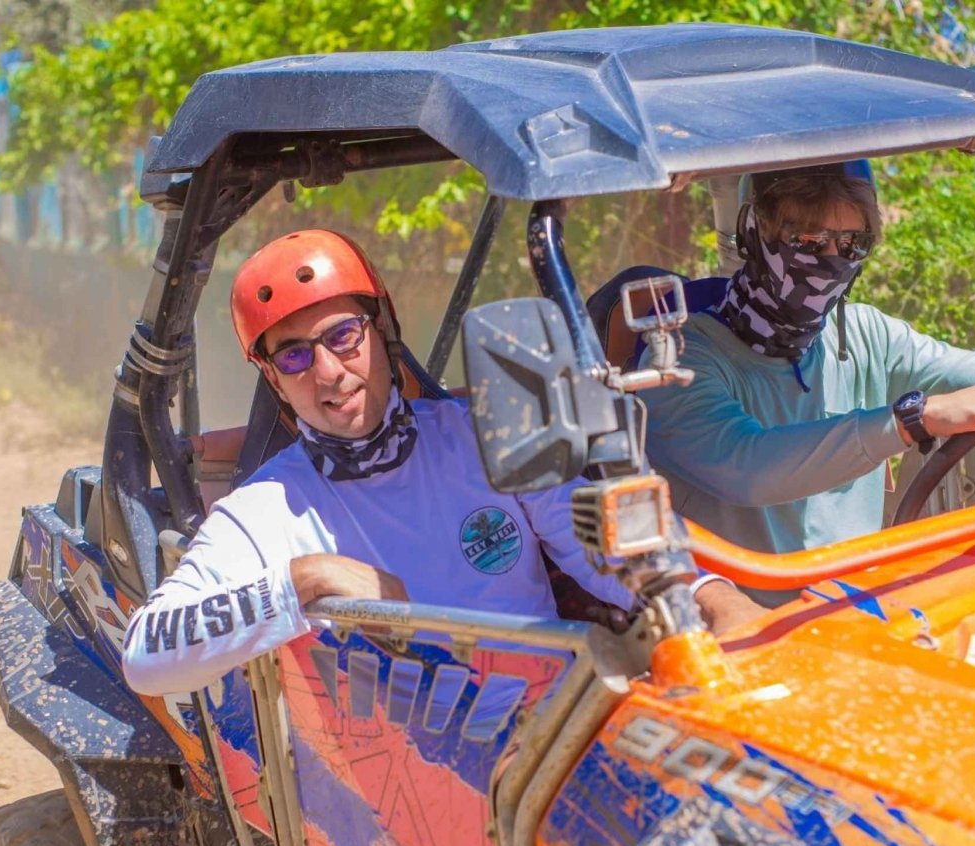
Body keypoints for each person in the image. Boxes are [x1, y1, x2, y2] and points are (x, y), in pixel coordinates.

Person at [123, 229, 757, 697]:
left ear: (383, 330)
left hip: (551, 739)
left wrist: (707, 595)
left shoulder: (485, 437)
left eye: (344, 335)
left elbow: (601, 542)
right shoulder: (264, 510)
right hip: (399, 792)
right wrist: (307, 579)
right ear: (273, 380)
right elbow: (147, 656)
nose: (327, 371)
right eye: (293, 356)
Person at [638, 161, 975, 601]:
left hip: (859, 609)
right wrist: (915, 419)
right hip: (741, 628)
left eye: (852, 245)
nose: (831, 260)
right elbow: (749, 467)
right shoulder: (679, 356)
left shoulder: (866, 334)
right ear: (754, 234)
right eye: (808, 241)